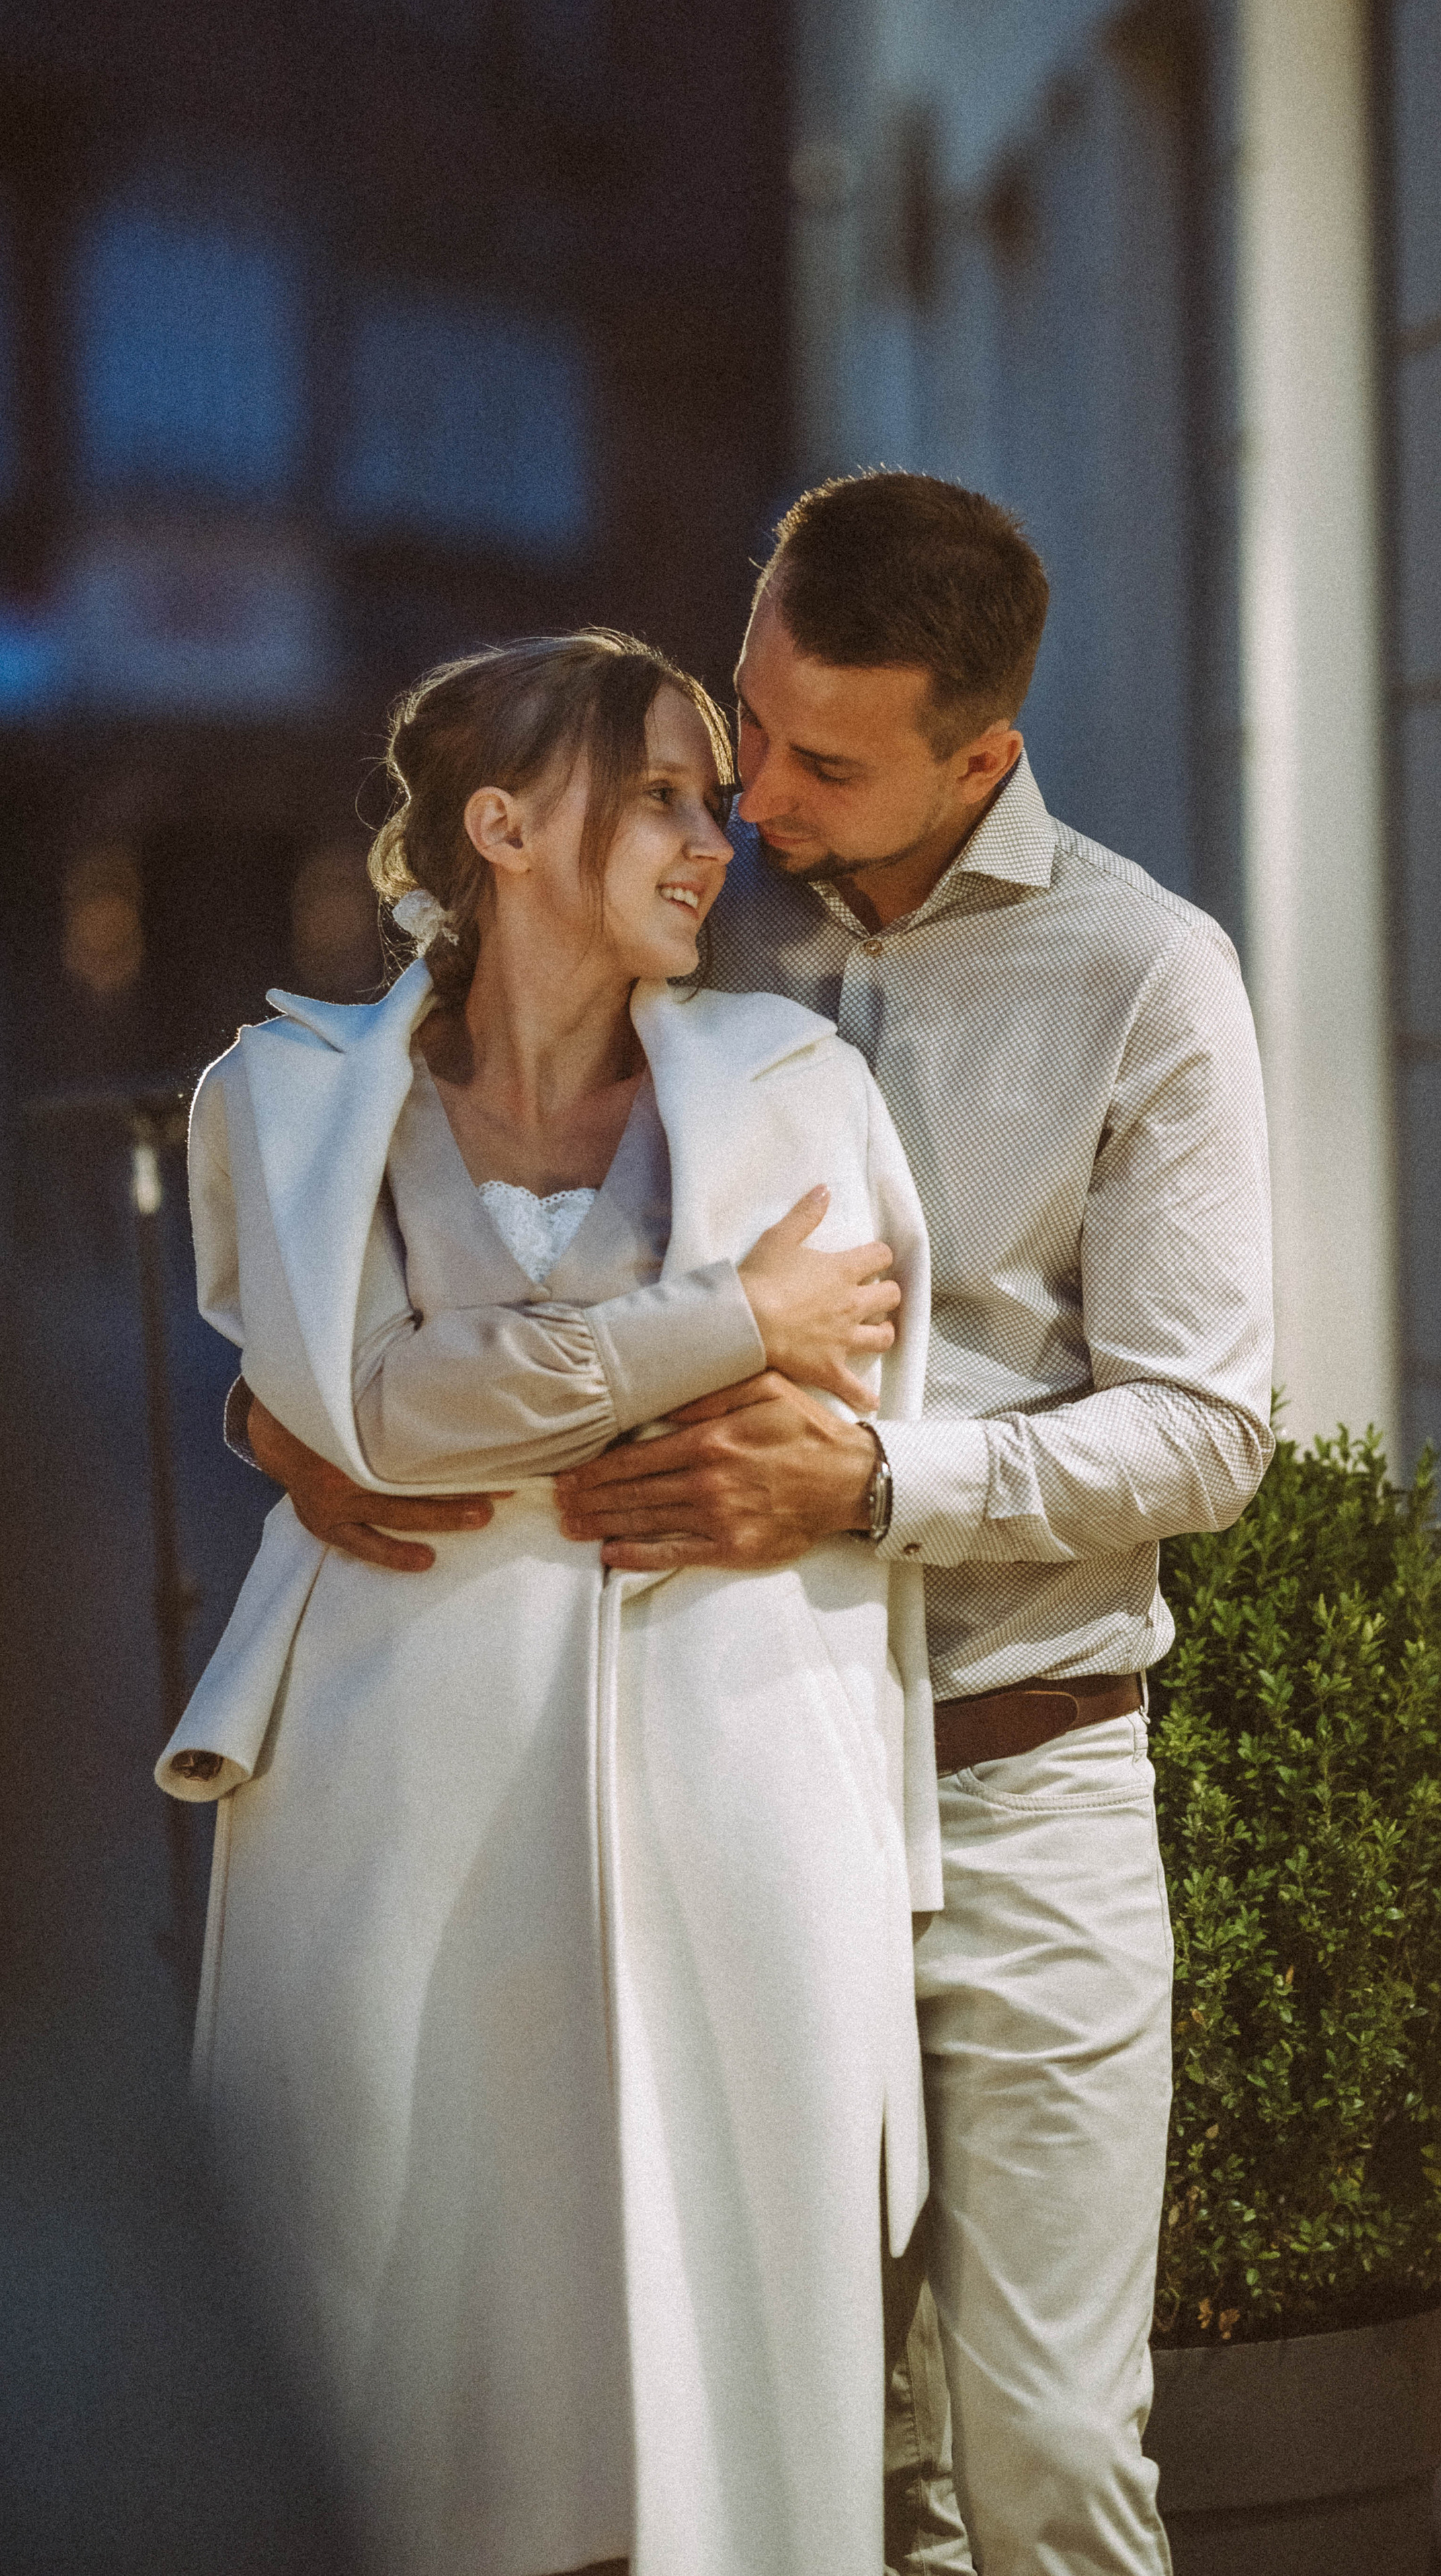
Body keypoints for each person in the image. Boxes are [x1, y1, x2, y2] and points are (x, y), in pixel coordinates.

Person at [247, 475, 1276, 2576]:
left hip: (1015, 1775)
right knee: (807, 2471)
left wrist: (874, 1484)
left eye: (823, 760)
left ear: (977, 757)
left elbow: (1203, 1431)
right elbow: (431, 1216)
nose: (754, 795)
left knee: (1052, 2455)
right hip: (732, 1770)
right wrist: (294, 1412)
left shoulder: (1146, 973)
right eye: (746, 715)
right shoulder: (686, 893)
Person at [156, 630, 944, 2576]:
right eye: (661, 793)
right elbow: (375, 1405)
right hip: (390, 1808)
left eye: (710, 795)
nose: (713, 836)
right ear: (501, 827)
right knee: (404, 2365)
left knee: (727, 2369)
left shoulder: (795, 1084)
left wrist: (421, 1395)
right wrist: (720, 1320)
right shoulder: (288, 1094)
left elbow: (818, 1411)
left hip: (729, 1783)